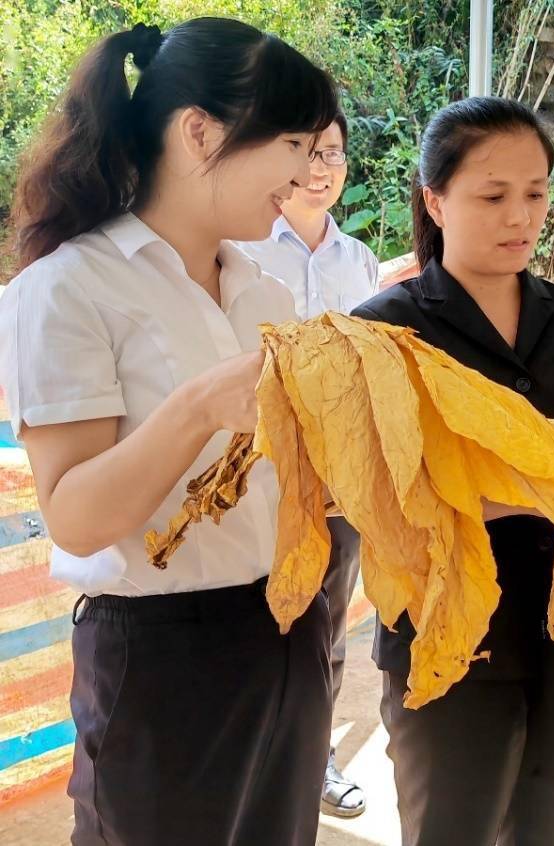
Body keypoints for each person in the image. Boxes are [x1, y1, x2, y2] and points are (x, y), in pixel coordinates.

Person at [0, 18, 340, 845]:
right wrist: (196, 408)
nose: (305, 173)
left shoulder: (264, 292)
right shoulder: (67, 288)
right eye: (294, 143)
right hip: (158, 660)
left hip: (288, 629)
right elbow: (77, 516)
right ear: (200, 132)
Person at [350, 97, 554, 846]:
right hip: (446, 635)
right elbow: (372, 495)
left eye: (536, 193)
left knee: (552, 825)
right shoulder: (385, 331)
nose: (521, 216)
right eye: (493, 195)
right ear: (434, 200)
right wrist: (537, 487)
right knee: (453, 827)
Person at [237, 110, 377, 819]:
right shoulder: (243, 250)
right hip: (263, 480)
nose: (323, 168)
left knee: (326, 624)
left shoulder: (357, 260)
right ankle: (256, 759)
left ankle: (314, 760)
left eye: (336, 154)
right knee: (259, 619)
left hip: (341, 480)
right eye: (309, 152)